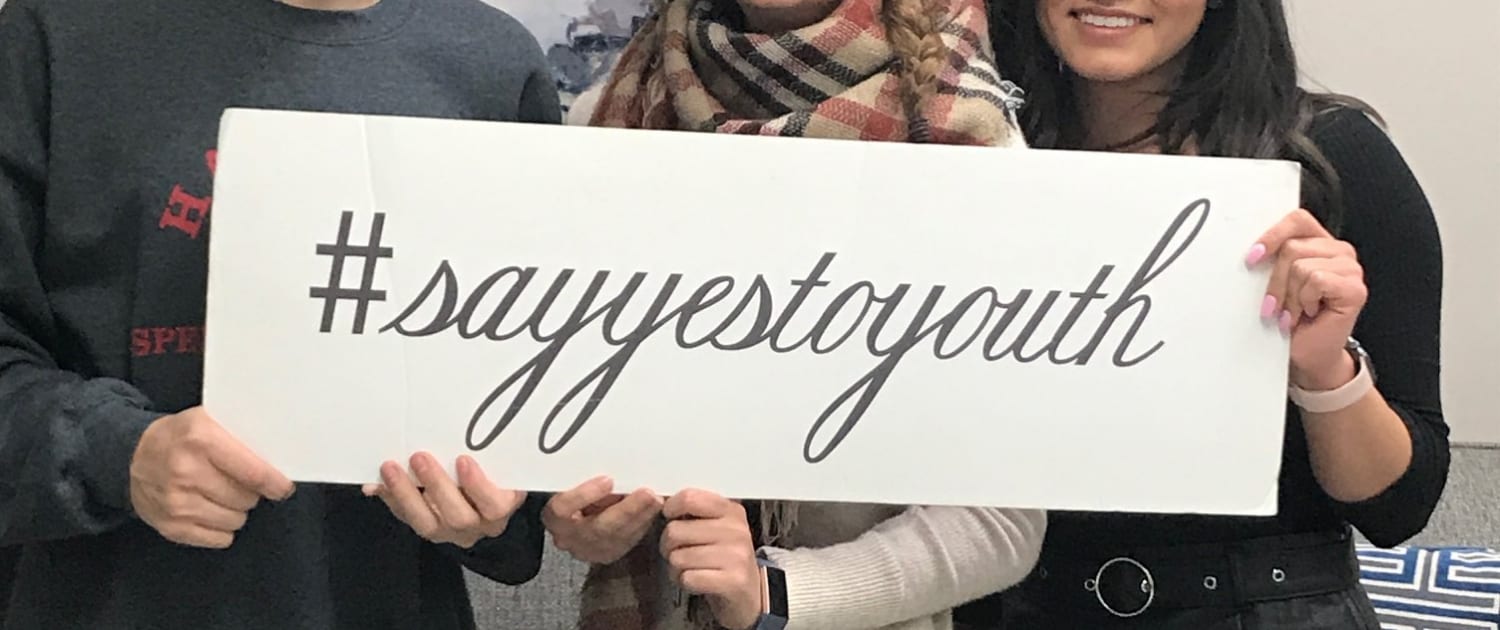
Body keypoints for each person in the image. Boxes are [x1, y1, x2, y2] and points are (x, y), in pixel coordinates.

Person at [0, 0, 561, 627]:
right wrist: (118, 455)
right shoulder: (55, 33)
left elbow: (524, 459)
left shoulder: (493, 61)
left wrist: (492, 511)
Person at [949, 1, 1450, 628]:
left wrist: (1326, 373)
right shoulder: (960, 150)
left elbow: (1398, 507)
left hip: (1266, 604)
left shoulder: (1330, 157)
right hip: (1006, 600)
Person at [547, 1, 1046, 629]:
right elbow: (577, 422)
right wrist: (592, 519)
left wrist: (776, 593)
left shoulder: (964, 130)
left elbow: (1002, 521)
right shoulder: (609, 118)